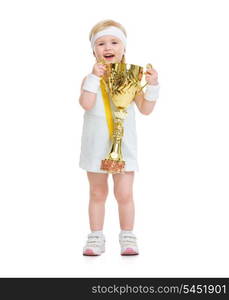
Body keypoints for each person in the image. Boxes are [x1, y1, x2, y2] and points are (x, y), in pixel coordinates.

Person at [79, 19, 160, 256]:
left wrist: (152, 85)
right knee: (97, 192)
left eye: (114, 42)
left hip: (123, 147)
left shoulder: (130, 78)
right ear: (93, 50)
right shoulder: (89, 79)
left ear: (123, 48)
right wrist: (94, 78)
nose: (108, 47)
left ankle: (127, 235)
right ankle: (95, 237)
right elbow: (86, 103)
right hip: (95, 147)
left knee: (124, 193)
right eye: (101, 43)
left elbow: (145, 109)